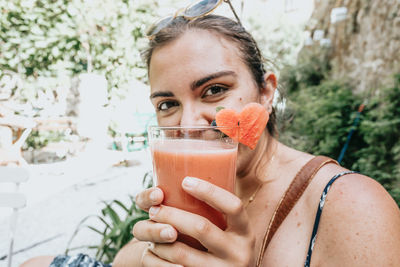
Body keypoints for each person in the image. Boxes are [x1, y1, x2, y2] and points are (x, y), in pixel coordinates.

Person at [22, 1, 400, 267]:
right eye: (167, 104)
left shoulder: (354, 206)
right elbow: (122, 260)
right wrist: (156, 247)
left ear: (266, 92)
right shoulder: (185, 185)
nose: (190, 123)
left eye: (215, 90)